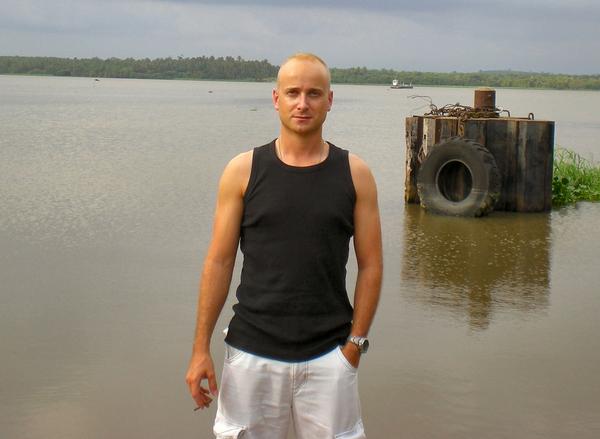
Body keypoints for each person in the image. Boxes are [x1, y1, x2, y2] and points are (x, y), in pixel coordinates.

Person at [185, 53, 383, 439]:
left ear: (330, 100)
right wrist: (200, 349)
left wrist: (354, 346)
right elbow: (219, 262)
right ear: (276, 98)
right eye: (293, 92)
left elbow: (371, 265)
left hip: (330, 355)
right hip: (251, 355)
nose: (302, 103)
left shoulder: (355, 173)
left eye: (314, 93)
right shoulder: (243, 171)